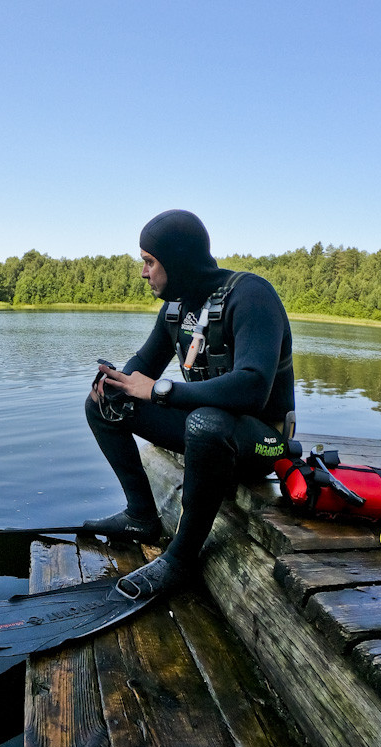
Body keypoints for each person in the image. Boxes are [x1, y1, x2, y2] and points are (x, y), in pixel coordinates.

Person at [83, 209, 295, 598]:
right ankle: (141, 515)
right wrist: (115, 381)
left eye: (149, 262)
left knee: (205, 423)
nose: (144, 272)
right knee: (102, 403)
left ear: (176, 261)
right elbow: (142, 367)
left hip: (264, 444)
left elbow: (253, 388)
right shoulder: (177, 307)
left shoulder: (251, 296)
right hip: (208, 431)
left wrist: (161, 391)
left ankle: (181, 558)